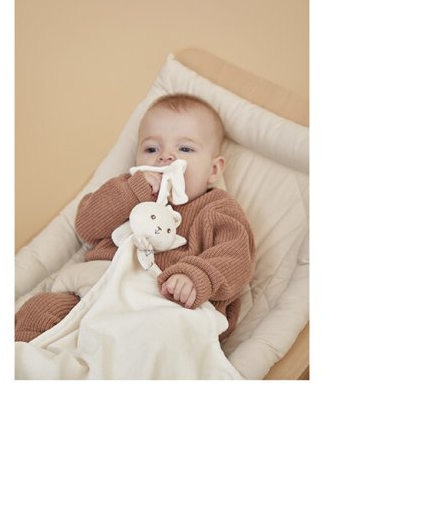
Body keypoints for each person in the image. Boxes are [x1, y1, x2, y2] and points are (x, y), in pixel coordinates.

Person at [14, 93, 255, 344]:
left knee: (163, 340)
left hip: (160, 304)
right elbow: (86, 225)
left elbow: (236, 256)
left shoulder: (216, 208)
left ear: (213, 170)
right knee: (38, 310)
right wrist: (132, 190)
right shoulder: (127, 190)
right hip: (97, 291)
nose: (166, 157)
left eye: (185, 149)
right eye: (151, 149)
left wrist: (196, 277)